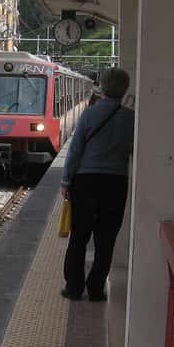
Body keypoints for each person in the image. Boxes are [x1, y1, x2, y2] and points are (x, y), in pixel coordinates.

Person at [60, 67, 136, 302]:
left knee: (79, 237)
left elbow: (75, 151)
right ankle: (95, 288)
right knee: (106, 239)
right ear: (125, 89)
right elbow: (134, 150)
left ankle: (74, 288)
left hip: (85, 181)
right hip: (115, 183)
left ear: (102, 86)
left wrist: (66, 180)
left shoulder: (89, 114)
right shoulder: (131, 118)